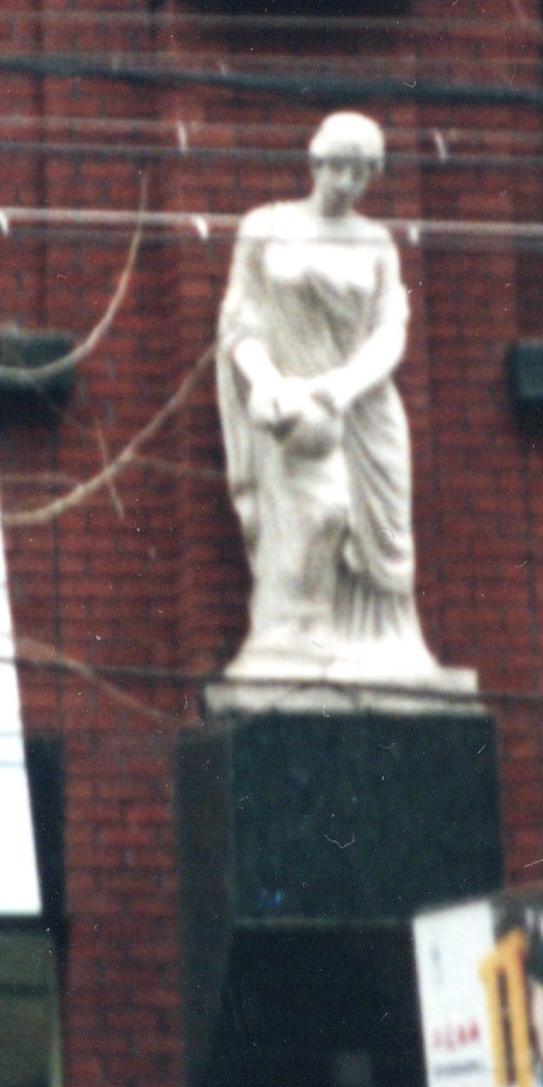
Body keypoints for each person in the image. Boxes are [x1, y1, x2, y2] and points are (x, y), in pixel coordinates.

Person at [215, 112, 453, 686]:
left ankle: (380, 646)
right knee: (319, 516)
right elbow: (238, 325)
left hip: (361, 407)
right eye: (342, 168)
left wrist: (342, 387)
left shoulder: (376, 243)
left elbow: (390, 330)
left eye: (363, 173)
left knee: (379, 538)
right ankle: (295, 635)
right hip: (290, 409)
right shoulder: (264, 227)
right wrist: (269, 383)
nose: (350, 183)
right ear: (318, 161)